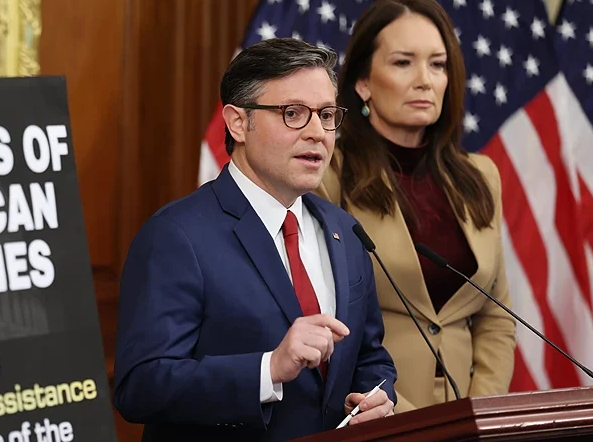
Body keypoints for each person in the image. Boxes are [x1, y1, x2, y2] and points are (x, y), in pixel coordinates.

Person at [113, 38, 397, 441]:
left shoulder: (345, 232)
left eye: (328, 114)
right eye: (293, 113)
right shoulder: (177, 236)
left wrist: (377, 394)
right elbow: (140, 386)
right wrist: (268, 369)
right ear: (237, 123)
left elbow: (370, 355)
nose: (318, 133)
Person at [315, 0, 517, 413]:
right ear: (363, 82)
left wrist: (481, 416)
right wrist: (402, 416)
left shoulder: (481, 176)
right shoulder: (329, 175)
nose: (425, 79)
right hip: (376, 413)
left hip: (472, 420)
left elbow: (497, 318)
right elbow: (326, 321)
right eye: (403, 62)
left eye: (438, 64)